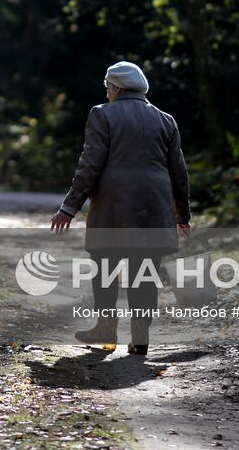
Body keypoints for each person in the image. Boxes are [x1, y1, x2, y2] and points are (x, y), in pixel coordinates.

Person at [51, 60, 191, 356]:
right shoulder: (166, 120)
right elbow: (179, 171)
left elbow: (90, 164)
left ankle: (106, 330)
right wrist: (182, 213)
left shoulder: (103, 114)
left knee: (105, 268)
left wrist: (69, 207)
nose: (106, 93)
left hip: (114, 206)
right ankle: (140, 337)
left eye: (107, 88)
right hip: (155, 205)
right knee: (145, 270)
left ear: (115, 88)